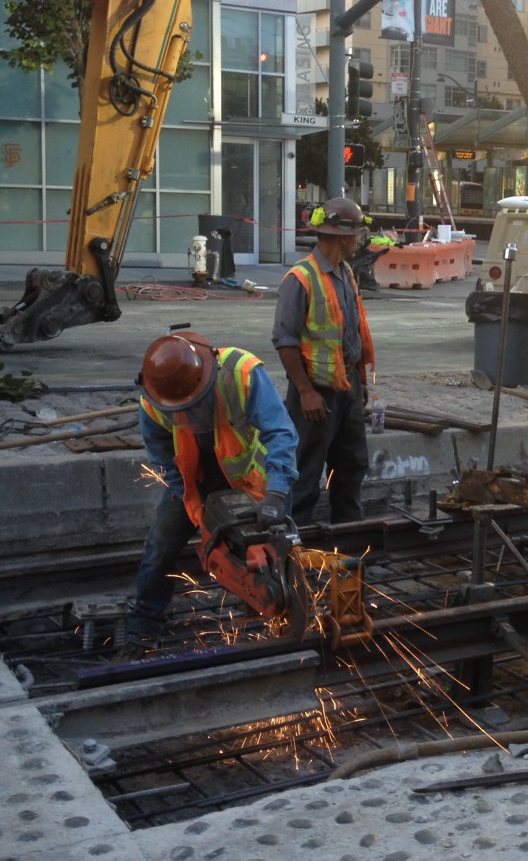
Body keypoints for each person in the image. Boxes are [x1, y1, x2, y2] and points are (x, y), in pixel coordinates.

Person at [118, 332, 299, 657]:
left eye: (194, 406)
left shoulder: (242, 373)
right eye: (181, 410)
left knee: (273, 554)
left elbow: (281, 432)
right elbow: (164, 462)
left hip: (251, 479)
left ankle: (277, 625)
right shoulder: (153, 402)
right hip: (194, 483)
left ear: (207, 377)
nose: (188, 417)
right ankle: (141, 633)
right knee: (159, 549)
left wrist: (276, 492)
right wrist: (198, 511)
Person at [272, 196, 376, 528]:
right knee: (305, 472)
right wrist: (304, 392)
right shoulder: (300, 278)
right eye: (356, 234)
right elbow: (284, 339)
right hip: (315, 393)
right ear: (343, 236)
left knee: (351, 467)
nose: (359, 240)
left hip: (346, 388)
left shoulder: (345, 273)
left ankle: (349, 543)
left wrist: (358, 384)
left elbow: (350, 334)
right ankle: (296, 553)